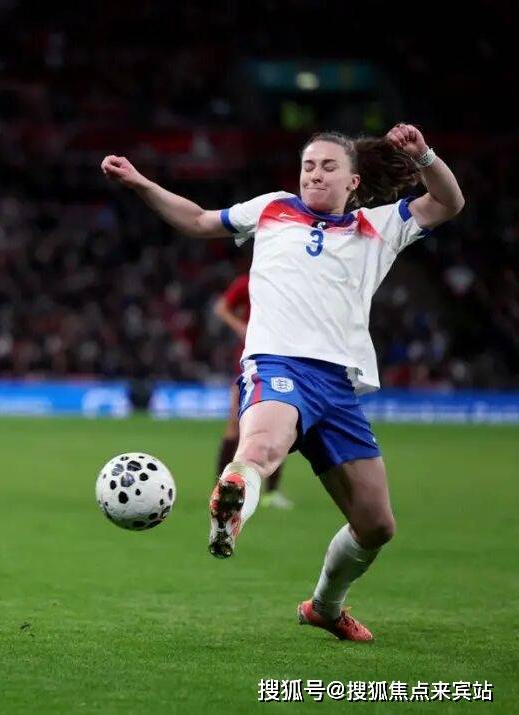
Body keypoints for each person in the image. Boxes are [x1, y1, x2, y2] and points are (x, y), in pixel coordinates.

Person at [102, 124, 464, 641]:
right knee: (260, 449)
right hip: (277, 365)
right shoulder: (272, 208)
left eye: (328, 166)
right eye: (308, 166)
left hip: (339, 387)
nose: (315, 174)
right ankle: (233, 502)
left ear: (353, 181)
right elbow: (199, 220)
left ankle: (325, 607)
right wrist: (141, 183)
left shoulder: (379, 226)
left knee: (376, 525)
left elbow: (448, 202)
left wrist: (424, 155)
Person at [212, 273, 292, 509]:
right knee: (235, 426)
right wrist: (240, 327)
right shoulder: (249, 281)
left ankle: (271, 493)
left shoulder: (289, 281)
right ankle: (221, 489)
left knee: (280, 427)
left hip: (282, 360)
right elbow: (221, 308)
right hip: (251, 362)